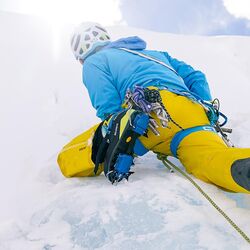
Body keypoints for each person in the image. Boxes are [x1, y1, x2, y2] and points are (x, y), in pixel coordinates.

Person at [57, 22, 250, 193]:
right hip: (195, 112)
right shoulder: (156, 55)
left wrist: (117, 139)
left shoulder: (94, 61)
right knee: (213, 159)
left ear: (81, 57)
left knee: (67, 157)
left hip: (148, 115)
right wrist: (206, 107)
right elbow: (196, 77)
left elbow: (108, 105)